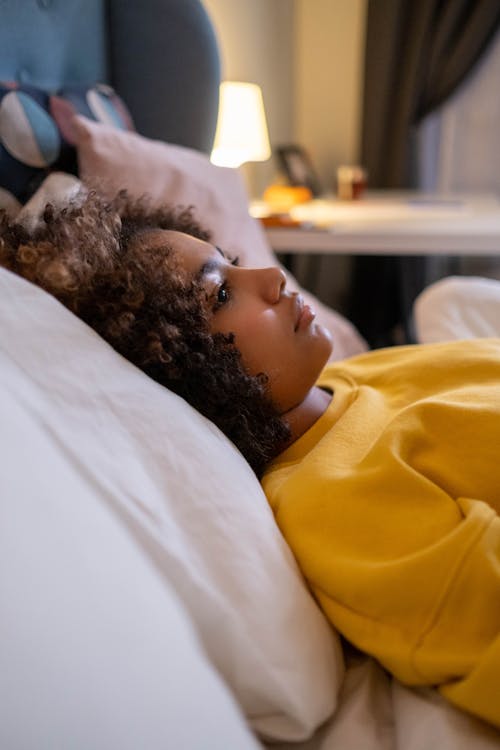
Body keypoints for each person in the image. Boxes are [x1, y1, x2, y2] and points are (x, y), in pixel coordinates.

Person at [1, 190, 499, 730]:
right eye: (219, 295)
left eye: (233, 263)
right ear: (180, 365)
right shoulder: (335, 500)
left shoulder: (349, 378)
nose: (271, 277)